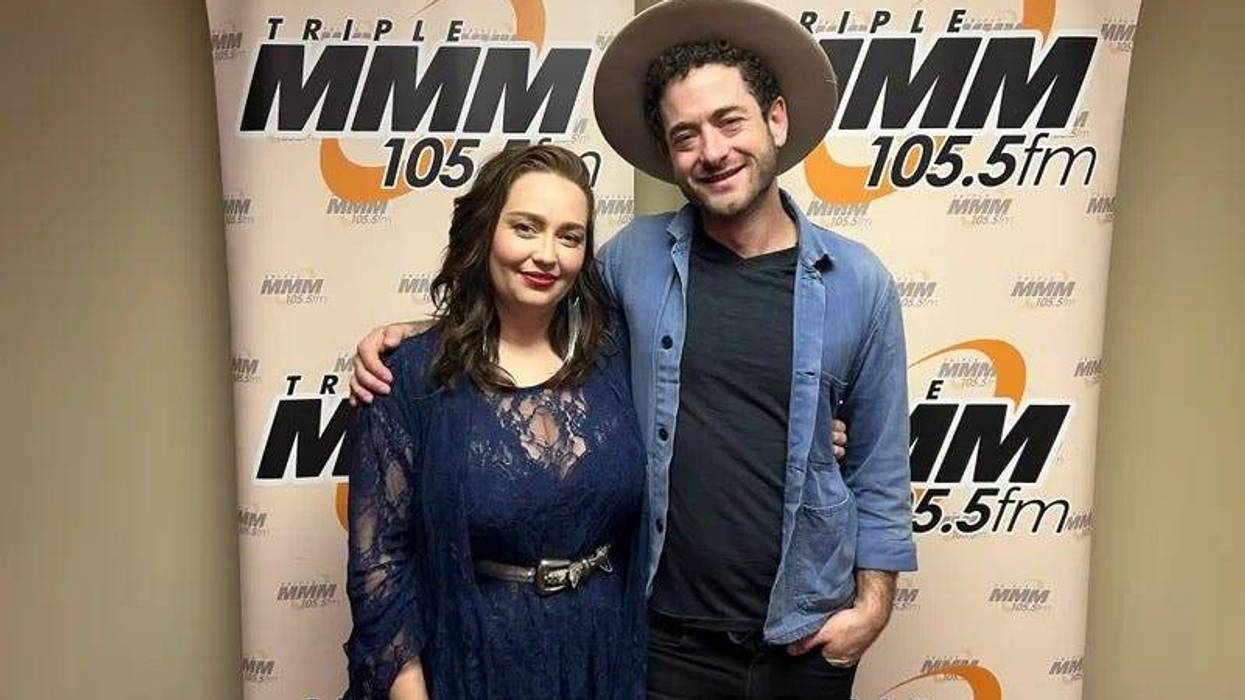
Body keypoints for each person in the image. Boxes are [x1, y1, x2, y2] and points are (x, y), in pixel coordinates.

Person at [351, 1, 914, 698]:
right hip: (659, 641)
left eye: (728, 121)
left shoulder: (860, 283)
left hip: (802, 636)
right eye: (685, 135)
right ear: (669, 155)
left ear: (775, 120)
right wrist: (410, 336)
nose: (711, 151)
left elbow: (880, 468)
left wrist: (872, 607)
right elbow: (530, 305)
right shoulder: (633, 261)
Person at [341, 144, 648, 699]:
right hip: (474, 661)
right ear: (485, 232)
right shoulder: (407, 375)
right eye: (526, 228)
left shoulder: (617, 359)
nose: (547, 254)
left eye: (569, 236)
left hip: (602, 657)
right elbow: (378, 562)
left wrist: (822, 437)